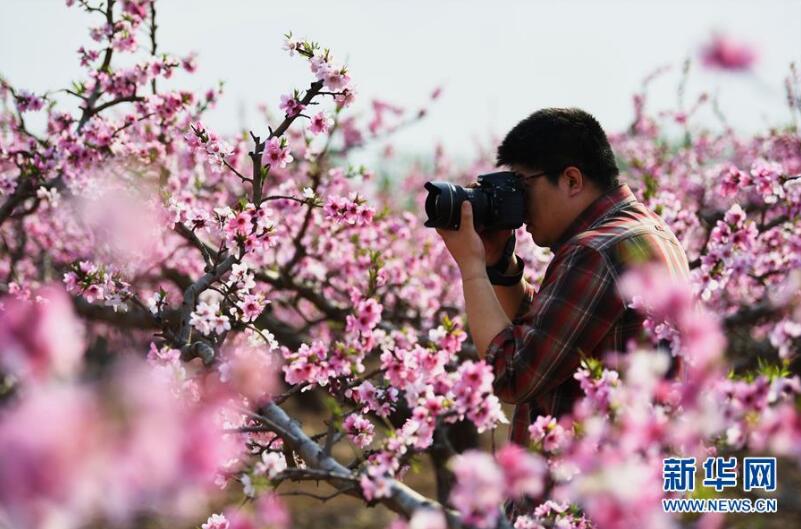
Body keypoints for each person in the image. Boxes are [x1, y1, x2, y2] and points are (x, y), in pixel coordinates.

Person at [436, 107, 691, 449]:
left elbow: (513, 374)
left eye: (523, 187)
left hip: (588, 489)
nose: (520, 207)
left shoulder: (595, 251)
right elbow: (549, 337)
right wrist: (500, 264)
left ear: (572, 180)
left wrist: (471, 266)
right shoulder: (646, 230)